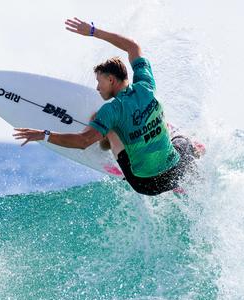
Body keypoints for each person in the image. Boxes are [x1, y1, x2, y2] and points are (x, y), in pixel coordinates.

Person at [13, 18, 200, 196]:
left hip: (146, 184)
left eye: (99, 81)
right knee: (184, 141)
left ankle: (108, 140)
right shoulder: (146, 85)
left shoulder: (111, 110)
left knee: (107, 127)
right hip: (176, 172)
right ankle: (196, 160)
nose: (97, 88)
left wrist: (44, 135)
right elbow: (133, 47)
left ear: (111, 80)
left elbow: (83, 142)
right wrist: (93, 31)